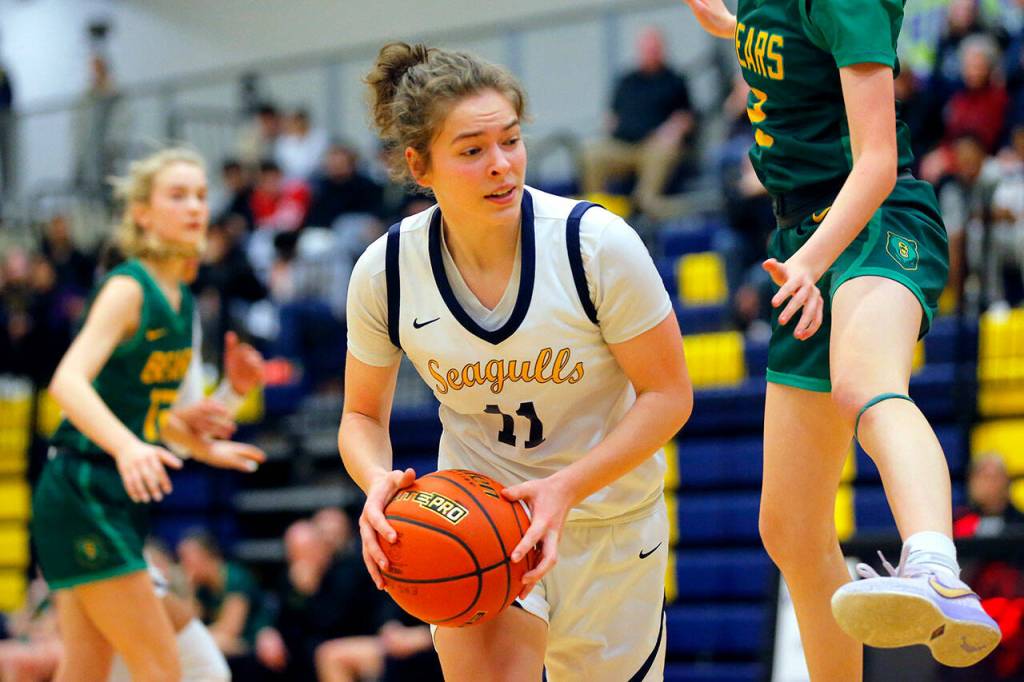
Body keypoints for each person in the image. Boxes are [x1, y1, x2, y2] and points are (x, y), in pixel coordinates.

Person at [339, 42, 693, 681]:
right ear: (421, 166)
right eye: (472, 151)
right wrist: (376, 485)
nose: (501, 165)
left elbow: (670, 396)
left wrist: (565, 488)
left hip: (607, 522)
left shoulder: (597, 246)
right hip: (481, 520)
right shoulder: (386, 272)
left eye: (510, 141)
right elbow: (361, 415)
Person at [683, 0, 1001, 679]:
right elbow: (790, 46)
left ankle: (937, 566)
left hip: (874, 222)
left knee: (866, 383)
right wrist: (731, 24)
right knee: (789, 527)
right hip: (803, 240)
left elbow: (878, 161)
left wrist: (811, 263)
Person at [29, 147, 266, 682]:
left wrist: (224, 409)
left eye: (202, 196)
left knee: (86, 671)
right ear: (142, 213)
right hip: (83, 487)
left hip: (108, 491)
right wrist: (128, 446)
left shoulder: (182, 301)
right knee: (160, 671)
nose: (194, 207)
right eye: (177, 196)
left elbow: (166, 422)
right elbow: (67, 381)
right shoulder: (128, 287)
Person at [580, 27, 695, 219]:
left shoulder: (675, 80)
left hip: (654, 146)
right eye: (646, 48)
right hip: (624, 146)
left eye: (654, 48)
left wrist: (673, 130)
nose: (650, 52)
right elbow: (611, 115)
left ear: (662, 49)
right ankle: (596, 208)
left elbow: (686, 116)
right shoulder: (626, 80)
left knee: (662, 152)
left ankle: (649, 203)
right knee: (591, 152)